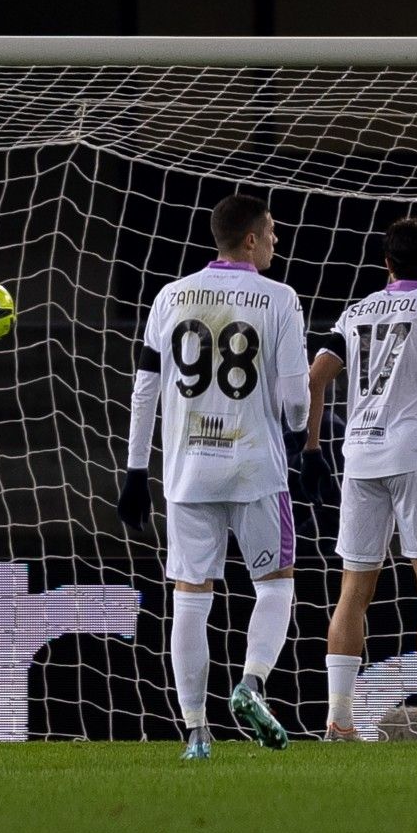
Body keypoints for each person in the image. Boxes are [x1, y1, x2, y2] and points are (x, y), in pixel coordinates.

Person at [117, 193, 308, 761]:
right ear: (249, 239)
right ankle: (250, 686)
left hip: (187, 471)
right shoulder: (279, 297)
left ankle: (197, 734)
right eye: (271, 231)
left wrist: (133, 473)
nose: (276, 239)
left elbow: (145, 388)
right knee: (275, 585)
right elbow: (296, 396)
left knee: (190, 600)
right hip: (255, 467)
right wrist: (298, 438)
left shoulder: (169, 296)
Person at [301, 218, 417, 742]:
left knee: (353, 592)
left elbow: (314, 378)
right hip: (415, 457)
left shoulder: (354, 312)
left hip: (359, 458)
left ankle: (338, 722)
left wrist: (313, 447)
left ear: (385, 263)